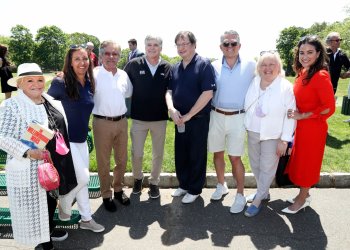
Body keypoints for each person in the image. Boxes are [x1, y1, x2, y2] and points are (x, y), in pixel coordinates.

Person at [0, 63, 77, 249]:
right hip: (29, 165)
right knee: (36, 206)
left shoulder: (49, 99)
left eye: (40, 80)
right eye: (30, 81)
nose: (37, 84)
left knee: (51, 199)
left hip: (53, 162)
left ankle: (48, 229)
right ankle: (43, 242)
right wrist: (28, 152)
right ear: (19, 84)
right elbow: (2, 136)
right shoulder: (11, 105)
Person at [48, 45, 105, 232]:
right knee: (83, 179)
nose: (82, 62)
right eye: (77, 59)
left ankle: (86, 219)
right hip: (65, 141)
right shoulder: (60, 82)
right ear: (70, 63)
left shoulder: (90, 82)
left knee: (82, 182)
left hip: (81, 139)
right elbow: (45, 106)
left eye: (85, 58)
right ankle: (64, 205)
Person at [283, 35, 335, 214]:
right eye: (302, 52)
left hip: (313, 129)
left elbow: (328, 108)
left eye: (310, 52)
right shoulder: (303, 73)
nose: (305, 56)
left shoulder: (320, 75)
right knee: (300, 162)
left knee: (307, 164)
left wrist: (303, 115)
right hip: (301, 128)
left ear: (318, 53)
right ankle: (303, 194)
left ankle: (302, 198)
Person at [243, 51, 296, 217]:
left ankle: (259, 199)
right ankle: (263, 191)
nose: (267, 68)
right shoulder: (255, 81)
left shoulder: (285, 87)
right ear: (258, 68)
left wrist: (285, 140)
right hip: (253, 130)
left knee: (267, 167)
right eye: (263, 65)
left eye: (271, 64)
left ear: (278, 67)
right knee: (256, 165)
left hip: (273, 135)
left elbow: (290, 114)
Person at [166, 31, 216, 204]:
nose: (182, 47)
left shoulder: (203, 65)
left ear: (194, 45)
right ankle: (184, 184)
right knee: (181, 154)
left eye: (185, 43)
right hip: (179, 119)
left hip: (197, 119)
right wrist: (172, 109)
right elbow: (169, 91)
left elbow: (208, 93)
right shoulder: (175, 67)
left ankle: (194, 189)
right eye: (179, 44)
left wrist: (188, 115)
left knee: (196, 154)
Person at [208, 30, 255, 214]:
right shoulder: (212, 66)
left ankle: (241, 194)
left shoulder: (251, 65)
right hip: (216, 115)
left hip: (238, 117)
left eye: (233, 43)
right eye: (226, 44)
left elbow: (270, 76)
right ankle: (221, 185)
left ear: (239, 46)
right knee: (217, 153)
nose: (230, 47)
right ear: (220, 47)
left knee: (235, 157)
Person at [124, 35, 171, 199]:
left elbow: (170, 91)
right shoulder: (134, 64)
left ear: (161, 47)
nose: (152, 48)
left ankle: (154, 183)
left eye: (156, 45)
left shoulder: (167, 67)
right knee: (137, 153)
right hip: (139, 118)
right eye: (149, 45)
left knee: (158, 153)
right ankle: (137, 179)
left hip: (159, 119)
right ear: (145, 47)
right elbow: (121, 82)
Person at [92, 40, 133, 212]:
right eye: (107, 53)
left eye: (115, 54)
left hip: (122, 122)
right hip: (102, 122)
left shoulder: (123, 75)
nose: (111, 57)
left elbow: (129, 93)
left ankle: (117, 189)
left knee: (122, 160)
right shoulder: (93, 74)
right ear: (101, 55)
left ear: (119, 56)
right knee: (103, 161)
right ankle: (106, 194)